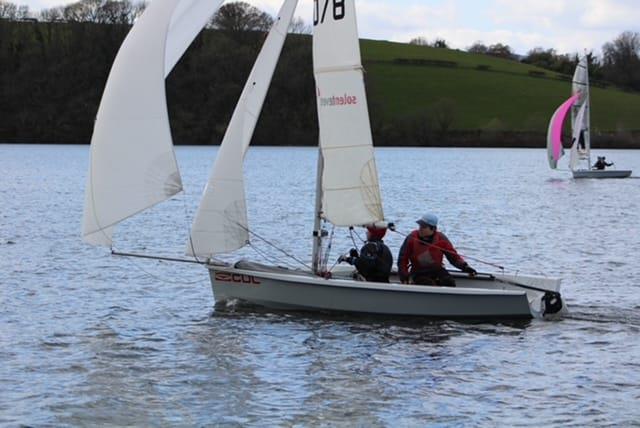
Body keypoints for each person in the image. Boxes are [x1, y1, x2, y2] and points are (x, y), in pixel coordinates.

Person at [398, 213, 476, 287]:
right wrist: (404, 276)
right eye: (420, 226)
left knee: (449, 282)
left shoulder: (441, 239)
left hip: (437, 270)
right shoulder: (411, 238)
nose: (420, 229)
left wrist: (465, 267)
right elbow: (402, 259)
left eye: (424, 227)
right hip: (418, 272)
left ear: (433, 228)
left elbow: (453, 257)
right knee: (428, 284)